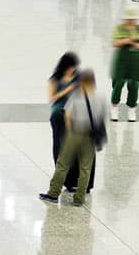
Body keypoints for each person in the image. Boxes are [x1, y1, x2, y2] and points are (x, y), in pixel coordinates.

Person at [39, 69, 109, 206]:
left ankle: (53, 193)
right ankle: (79, 198)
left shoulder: (76, 96)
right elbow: (102, 117)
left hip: (75, 133)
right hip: (90, 135)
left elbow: (68, 116)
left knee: (63, 164)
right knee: (85, 168)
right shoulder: (100, 97)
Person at [47, 52, 89, 191]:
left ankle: (72, 180)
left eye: (74, 67)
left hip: (73, 116)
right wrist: (67, 90)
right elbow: (52, 98)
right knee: (59, 146)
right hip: (58, 115)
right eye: (70, 67)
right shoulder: (55, 79)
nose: (72, 70)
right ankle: (61, 178)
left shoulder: (78, 78)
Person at [110, 6, 139, 122]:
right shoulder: (119, 28)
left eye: (133, 19)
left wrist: (137, 44)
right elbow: (115, 43)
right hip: (121, 62)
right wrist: (128, 41)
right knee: (118, 84)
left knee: (134, 86)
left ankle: (132, 109)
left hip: (136, 62)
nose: (131, 21)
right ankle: (114, 108)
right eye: (129, 19)